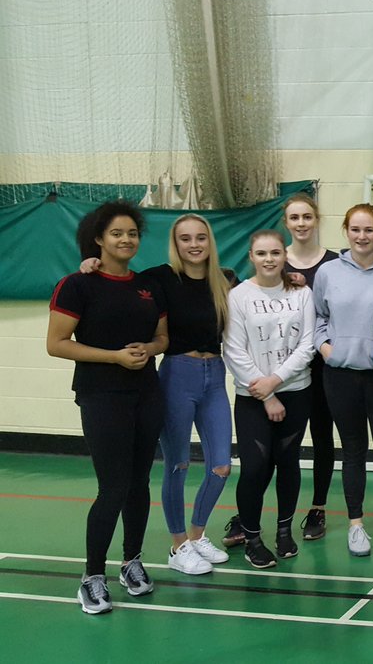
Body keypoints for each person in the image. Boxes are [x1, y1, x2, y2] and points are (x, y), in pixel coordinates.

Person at [81, 214, 235, 575]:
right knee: (178, 463)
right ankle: (178, 545)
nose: (194, 244)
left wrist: (291, 280)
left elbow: (262, 288)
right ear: (175, 243)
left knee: (221, 465)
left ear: (210, 241)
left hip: (215, 375)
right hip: (177, 374)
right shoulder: (158, 278)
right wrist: (90, 263)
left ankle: (197, 535)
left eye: (201, 237)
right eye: (185, 238)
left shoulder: (225, 280)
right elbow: (119, 280)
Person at [48, 202, 168, 614]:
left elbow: (161, 337)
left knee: (138, 484)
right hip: (102, 395)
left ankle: (131, 562)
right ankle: (92, 577)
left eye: (132, 233)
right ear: (99, 239)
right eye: (117, 233)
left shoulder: (147, 285)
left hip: (147, 394)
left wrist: (149, 348)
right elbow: (57, 344)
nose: (126, 239)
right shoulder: (77, 284)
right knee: (112, 487)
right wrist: (114, 357)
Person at [223, 230, 315, 568]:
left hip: (295, 392)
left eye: (275, 252)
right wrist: (266, 393)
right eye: (261, 253)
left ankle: (283, 531)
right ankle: (251, 537)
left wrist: (276, 381)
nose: (269, 259)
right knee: (256, 467)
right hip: (253, 397)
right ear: (251, 256)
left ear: (284, 255)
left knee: (288, 463)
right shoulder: (238, 296)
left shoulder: (302, 293)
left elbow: (307, 345)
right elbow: (233, 349)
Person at [311, 203, 373, 557]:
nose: (363, 236)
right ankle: (356, 524)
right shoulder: (329, 272)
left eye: (370, 230)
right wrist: (325, 348)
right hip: (341, 376)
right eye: (356, 230)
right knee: (353, 452)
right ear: (346, 231)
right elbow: (317, 316)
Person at [283, 193, 339, 542]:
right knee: (283, 443)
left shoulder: (334, 263)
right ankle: (261, 514)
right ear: (286, 222)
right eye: (294, 218)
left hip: (322, 368)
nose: (301, 223)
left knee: (321, 439)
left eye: (307, 216)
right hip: (284, 368)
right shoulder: (274, 259)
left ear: (316, 219)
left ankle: (317, 508)